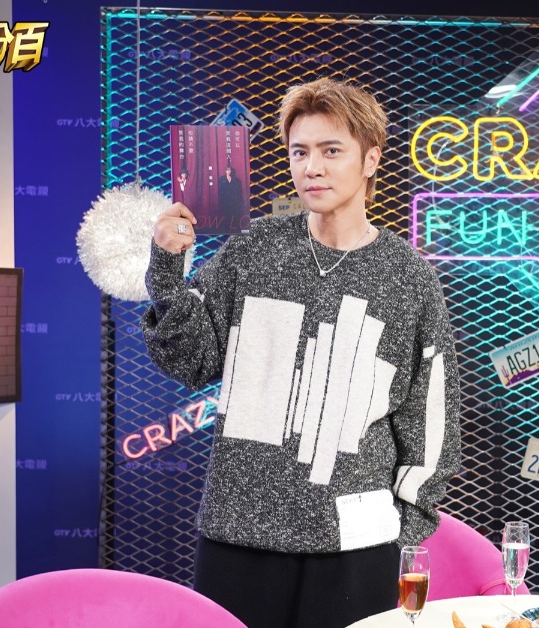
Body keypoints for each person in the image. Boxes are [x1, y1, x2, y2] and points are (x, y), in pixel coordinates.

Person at [142, 78, 461, 627]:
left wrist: (401, 530)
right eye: (299, 152)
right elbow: (191, 360)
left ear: (370, 160)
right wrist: (168, 269)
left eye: (331, 151)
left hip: (357, 548)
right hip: (239, 535)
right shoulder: (252, 249)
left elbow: (430, 419)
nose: (311, 167)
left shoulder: (409, 278)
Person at [217, 164, 246, 230]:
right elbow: (220, 191)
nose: (228, 171)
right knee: (225, 215)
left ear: (231, 171)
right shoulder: (221, 179)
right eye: (227, 170)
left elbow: (239, 192)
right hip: (225, 201)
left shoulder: (237, 180)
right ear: (225, 171)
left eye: (230, 170)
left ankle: (233, 227)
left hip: (233, 201)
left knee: (234, 214)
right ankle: (225, 228)